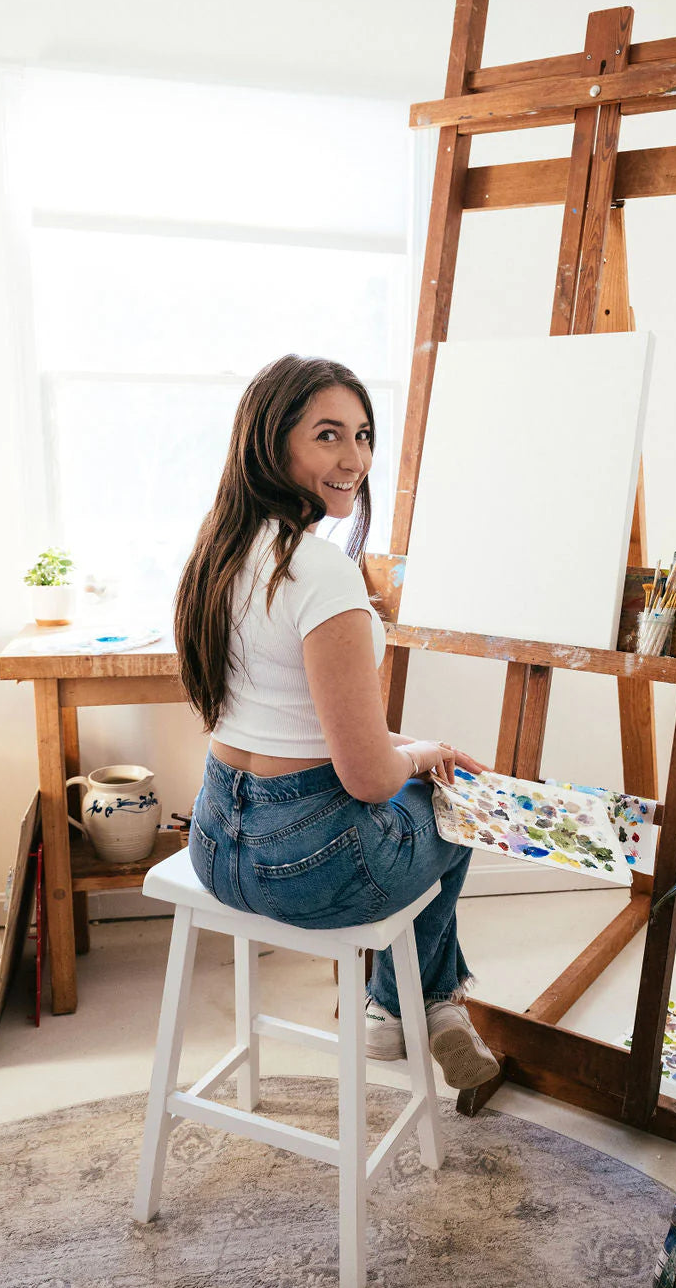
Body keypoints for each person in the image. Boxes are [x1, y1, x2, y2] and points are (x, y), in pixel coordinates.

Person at [174, 353, 500, 1092]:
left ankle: (417, 1010)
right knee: (462, 806)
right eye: (327, 435)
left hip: (215, 843)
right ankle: (407, 1004)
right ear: (273, 442)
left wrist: (417, 749)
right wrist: (420, 757)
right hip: (303, 866)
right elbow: (368, 777)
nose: (354, 459)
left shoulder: (218, 551)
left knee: (434, 779)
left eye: (363, 435)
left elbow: (294, 718)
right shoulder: (321, 572)